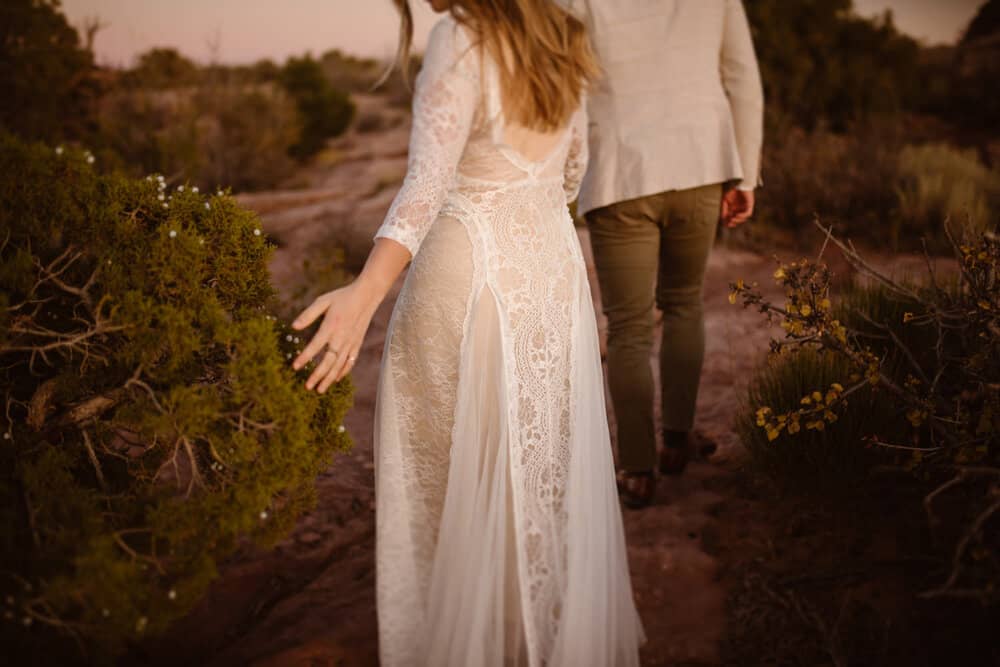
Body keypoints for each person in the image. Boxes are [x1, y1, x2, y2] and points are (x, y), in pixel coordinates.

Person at [290, 0, 644, 664]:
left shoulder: (461, 39)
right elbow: (572, 174)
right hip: (550, 278)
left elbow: (426, 184)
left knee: (447, 477)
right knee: (538, 475)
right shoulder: (565, 38)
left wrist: (364, 293)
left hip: (470, 275)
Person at [572, 0, 765, 509]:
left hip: (618, 171)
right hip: (700, 162)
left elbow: (561, 83)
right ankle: (675, 442)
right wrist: (744, 174)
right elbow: (743, 77)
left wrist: (566, 179)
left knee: (629, 327)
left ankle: (638, 471)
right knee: (683, 303)